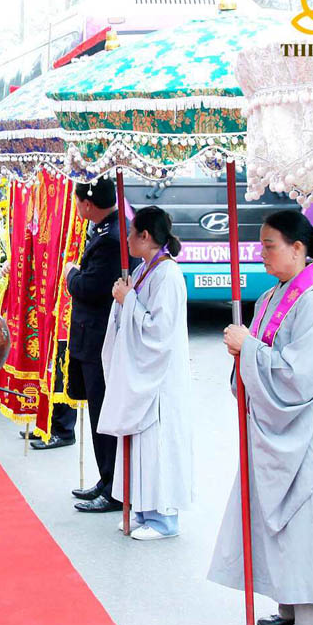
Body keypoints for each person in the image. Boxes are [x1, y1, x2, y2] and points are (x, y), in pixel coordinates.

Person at [208, 210, 313, 625]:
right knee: (275, 517)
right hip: (273, 425)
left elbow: (299, 377)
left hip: (302, 426)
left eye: (270, 245)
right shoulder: (270, 298)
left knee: (304, 518)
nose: (261, 253)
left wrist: (246, 348)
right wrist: (246, 353)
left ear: (298, 249)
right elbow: (261, 362)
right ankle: (290, 606)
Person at [97, 206, 193, 539]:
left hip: (158, 377)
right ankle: (141, 509)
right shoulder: (143, 270)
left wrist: (129, 300)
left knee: (157, 446)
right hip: (139, 373)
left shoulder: (168, 275)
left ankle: (164, 518)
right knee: (138, 442)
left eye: (131, 233)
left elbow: (159, 331)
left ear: (145, 236)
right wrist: (123, 298)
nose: (126, 239)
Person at [67, 178, 137, 513]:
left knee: (104, 414)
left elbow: (93, 286)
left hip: (100, 338)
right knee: (97, 413)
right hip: (90, 334)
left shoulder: (112, 239)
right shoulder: (104, 229)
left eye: (77, 201)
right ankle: (105, 478)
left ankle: (114, 488)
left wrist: (70, 276)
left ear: (87, 204)